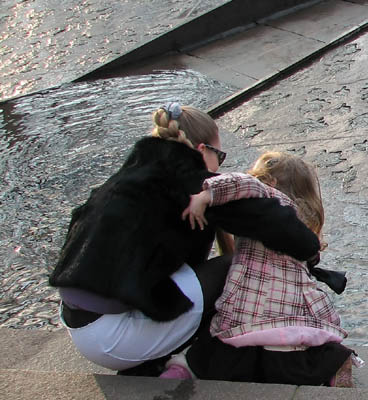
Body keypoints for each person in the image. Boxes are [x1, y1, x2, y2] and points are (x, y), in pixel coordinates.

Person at [49, 104, 321, 375]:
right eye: (220, 156)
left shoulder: (131, 175)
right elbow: (285, 229)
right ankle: (212, 359)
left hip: (79, 324)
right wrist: (311, 254)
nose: (220, 167)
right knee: (235, 268)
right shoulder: (193, 185)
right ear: (203, 150)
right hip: (116, 336)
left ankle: (158, 360)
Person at [172, 150, 359, 387]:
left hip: (243, 322)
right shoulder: (301, 221)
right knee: (317, 355)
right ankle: (336, 365)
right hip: (290, 330)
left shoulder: (269, 200)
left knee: (207, 355)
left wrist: (207, 194)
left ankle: (182, 370)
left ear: (269, 181)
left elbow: (241, 181)